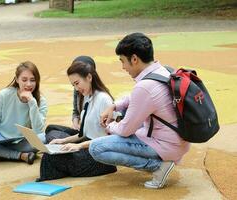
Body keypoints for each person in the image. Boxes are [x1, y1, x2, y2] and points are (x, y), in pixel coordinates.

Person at [89, 33, 190, 189]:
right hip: (178, 140)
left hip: (163, 145)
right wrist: (114, 106)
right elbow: (136, 98)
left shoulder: (145, 87)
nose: (123, 67)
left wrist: (108, 126)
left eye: (123, 61)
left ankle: (157, 166)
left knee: (96, 148)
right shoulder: (164, 71)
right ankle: (160, 163)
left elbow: (125, 130)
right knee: (127, 113)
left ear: (134, 59)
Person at [37, 60, 117, 181]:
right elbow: (84, 133)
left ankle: (54, 173)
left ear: (89, 77)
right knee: (53, 137)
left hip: (101, 157)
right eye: (73, 85)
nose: (76, 88)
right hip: (88, 147)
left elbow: (110, 139)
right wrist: (63, 141)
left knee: (51, 157)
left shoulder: (104, 99)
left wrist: (78, 146)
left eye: (77, 83)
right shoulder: (87, 97)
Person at [0, 61, 47, 165]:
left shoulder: (41, 101)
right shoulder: (3, 95)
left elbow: (38, 130)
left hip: (21, 142)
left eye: (32, 80)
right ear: (17, 79)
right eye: (24, 80)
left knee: (44, 138)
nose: (28, 84)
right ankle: (20, 156)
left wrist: (32, 103)